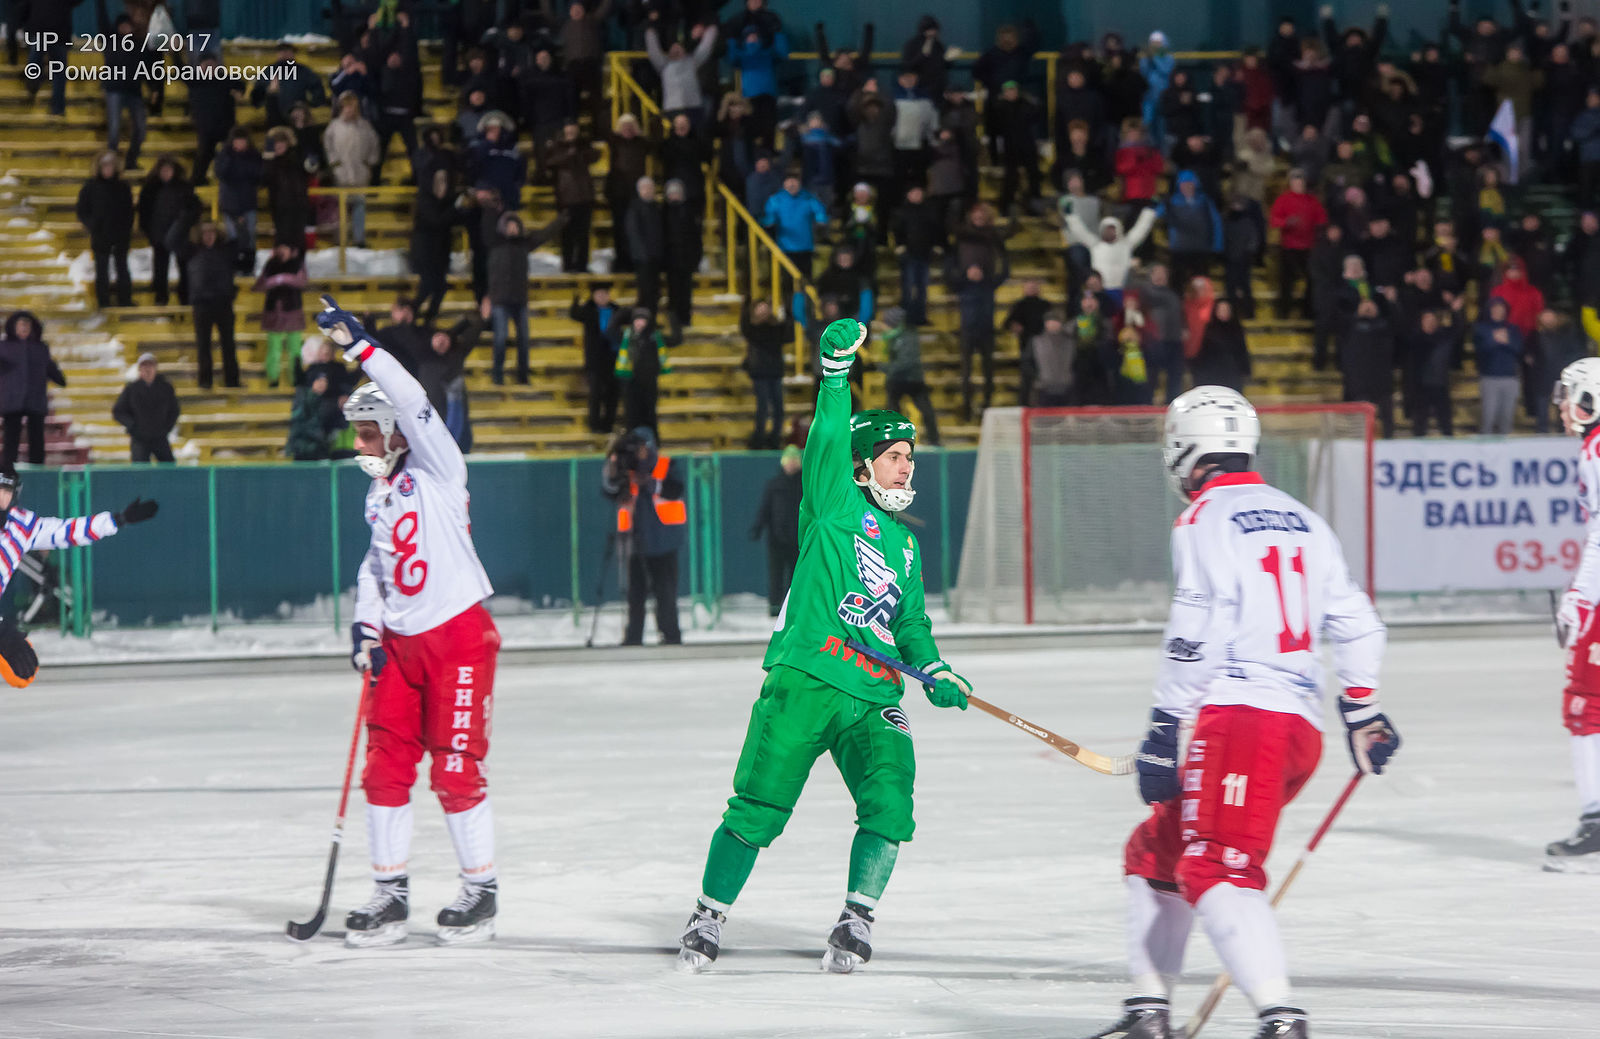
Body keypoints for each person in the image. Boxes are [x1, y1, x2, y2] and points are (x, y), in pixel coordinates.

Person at [1085, 385, 1396, 1039]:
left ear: (1184, 449)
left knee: (1215, 865)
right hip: (1297, 727)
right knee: (1156, 852)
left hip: (1244, 719)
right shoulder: (1305, 518)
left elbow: (1196, 625)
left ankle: (1281, 1019)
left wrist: (1165, 725)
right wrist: (1362, 709)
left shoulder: (1203, 518)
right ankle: (1147, 1013)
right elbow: (1359, 622)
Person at [676, 317, 975, 975]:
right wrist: (836, 376)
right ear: (863, 465)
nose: (906, 465)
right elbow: (828, 439)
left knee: (892, 796)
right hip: (807, 677)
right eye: (894, 455)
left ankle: (856, 916)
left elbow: (911, 623)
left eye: (910, 457)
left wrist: (934, 667)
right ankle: (708, 912)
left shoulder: (906, 544)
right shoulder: (833, 503)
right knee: (759, 806)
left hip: (872, 694)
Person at [312, 297, 503, 948]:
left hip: (458, 636)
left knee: (454, 768)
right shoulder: (379, 493)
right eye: (357, 433)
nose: (360, 443)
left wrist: (360, 347)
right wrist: (365, 627)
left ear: (397, 432)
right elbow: (376, 565)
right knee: (385, 767)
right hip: (398, 643)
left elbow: (412, 394)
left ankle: (480, 890)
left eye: (369, 431)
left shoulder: (440, 466)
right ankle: (389, 893)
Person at [0, 464, 157, 690]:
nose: (1, 497)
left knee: (22, 674)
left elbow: (68, 531)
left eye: (6, 491)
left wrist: (116, 520)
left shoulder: (21, 526)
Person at [1549, 358, 1600, 872]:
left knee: (1586, 704)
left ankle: (1595, 824)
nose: (1563, 407)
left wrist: (1580, 598)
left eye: (1570, 396)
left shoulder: (1596, 449)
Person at [601, 426, 685, 646]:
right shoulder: (626, 470)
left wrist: (650, 483)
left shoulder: (666, 465)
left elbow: (676, 488)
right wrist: (612, 467)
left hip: (664, 541)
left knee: (665, 593)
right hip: (636, 542)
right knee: (635, 594)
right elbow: (610, 490)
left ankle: (671, 635)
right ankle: (633, 636)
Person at [0, 312, 65, 467]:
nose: (24, 329)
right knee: (11, 438)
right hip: (12, 399)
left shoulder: (40, 348)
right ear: (13, 327)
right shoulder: (4, 347)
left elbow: (49, 367)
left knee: (37, 437)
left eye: (27, 326)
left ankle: (37, 468)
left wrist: (59, 379)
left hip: (35, 398)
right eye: (20, 325)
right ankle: (7, 469)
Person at [136, 157, 200, 307]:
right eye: (163, 170)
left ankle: (185, 298)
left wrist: (184, 224)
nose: (166, 173)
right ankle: (160, 298)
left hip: (180, 234)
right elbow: (143, 211)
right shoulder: (150, 188)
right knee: (160, 267)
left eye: (168, 170)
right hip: (158, 234)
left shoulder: (184, 187)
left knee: (184, 267)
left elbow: (194, 209)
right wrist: (148, 231)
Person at [77, 152, 135, 309]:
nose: (108, 169)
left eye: (110, 166)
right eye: (105, 166)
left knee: (122, 268)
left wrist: (126, 229)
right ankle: (103, 302)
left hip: (120, 235)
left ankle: (125, 300)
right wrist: (93, 225)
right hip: (100, 235)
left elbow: (129, 211)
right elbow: (82, 210)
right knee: (101, 270)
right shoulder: (90, 186)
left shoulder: (123, 186)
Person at [749, 445, 802, 617]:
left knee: (796, 575)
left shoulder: (805, 485)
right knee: (776, 574)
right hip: (776, 539)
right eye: (789, 461)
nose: (791, 464)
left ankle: (793, 606)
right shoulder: (774, 484)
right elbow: (765, 508)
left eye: (794, 461)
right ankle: (775, 605)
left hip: (798, 539)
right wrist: (757, 528)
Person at [323, 92, 381, 249]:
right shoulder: (334, 127)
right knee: (339, 209)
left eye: (353, 107)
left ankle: (359, 239)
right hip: (341, 174)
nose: (350, 110)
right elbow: (328, 147)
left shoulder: (365, 126)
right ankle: (340, 239)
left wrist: (369, 162)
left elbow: (374, 144)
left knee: (359, 207)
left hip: (360, 174)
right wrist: (335, 164)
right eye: (347, 107)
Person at [187, 222, 240, 390]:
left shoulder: (226, 251)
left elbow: (242, 241)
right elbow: (171, 241)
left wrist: (237, 224)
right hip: (202, 305)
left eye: (212, 232)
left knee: (228, 344)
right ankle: (205, 381)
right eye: (205, 232)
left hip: (223, 303)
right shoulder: (192, 251)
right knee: (203, 345)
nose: (209, 236)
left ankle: (232, 381)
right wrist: (186, 218)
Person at [878, 306, 941, 447]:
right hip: (899, 379)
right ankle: (893, 439)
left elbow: (905, 362)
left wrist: (883, 368)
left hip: (912, 380)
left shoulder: (906, 337)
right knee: (892, 411)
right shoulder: (894, 336)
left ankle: (934, 439)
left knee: (924, 409)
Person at [254, 242, 308, 389]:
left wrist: (283, 278)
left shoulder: (297, 264)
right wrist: (275, 280)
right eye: (280, 248)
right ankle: (273, 378)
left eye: (285, 248)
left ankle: (295, 378)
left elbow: (302, 282)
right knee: (274, 349)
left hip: (292, 312)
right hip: (274, 313)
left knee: (295, 349)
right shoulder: (271, 264)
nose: (282, 251)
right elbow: (260, 285)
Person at [613, 308, 674, 437]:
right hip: (630, 382)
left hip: (649, 382)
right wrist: (621, 314)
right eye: (637, 319)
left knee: (650, 414)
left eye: (643, 320)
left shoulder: (654, 337)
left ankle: (652, 442)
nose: (640, 323)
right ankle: (632, 442)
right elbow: (610, 331)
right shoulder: (626, 335)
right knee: (631, 415)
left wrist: (673, 318)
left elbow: (676, 339)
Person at [112, 353, 180, 462]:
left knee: (168, 467)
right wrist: (133, 425)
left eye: (150, 366)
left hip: (160, 437)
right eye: (144, 366)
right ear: (139, 369)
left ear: (155, 368)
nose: (148, 370)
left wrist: (166, 427)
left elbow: (174, 410)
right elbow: (118, 411)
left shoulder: (165, 388)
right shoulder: (132, 389)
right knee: (140, 469)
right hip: (140, 438)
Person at [572, 285, 621, 434]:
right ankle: (594, 425)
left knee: (613, 395)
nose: (602, 297)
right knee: (595, 394)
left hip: (613, 358)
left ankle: (608, 425)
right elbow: (575, 314)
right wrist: (576, 300)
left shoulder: (617, 310)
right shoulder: (589, 310)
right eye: (598, 294)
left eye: (604, 294)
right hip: (595, 360)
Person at [741, 299, 787, 449]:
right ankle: (759, 438)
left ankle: (774, 438)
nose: (762, 311)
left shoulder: (776, 328)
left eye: (765, 308)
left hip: (774, 372)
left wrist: (787, 312)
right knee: (763, 407)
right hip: (760, 373)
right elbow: (744, 327)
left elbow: (788, 334)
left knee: (778, 408)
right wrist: (745, 305)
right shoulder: (753, 329)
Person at [1474, 297, 1523, 435]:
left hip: (1510, 377)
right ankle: (1486, 444)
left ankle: (1504, 443)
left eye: (1501, 309)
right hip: (1490, 377)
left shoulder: (1513, 329)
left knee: (1507, 416)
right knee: (1488, 415)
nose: (1498, 311)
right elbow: (1480, 350)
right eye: (1495, 309)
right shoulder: (1481, 328)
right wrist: (1493, 340)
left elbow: (1519, 349)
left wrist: (1507, 341)